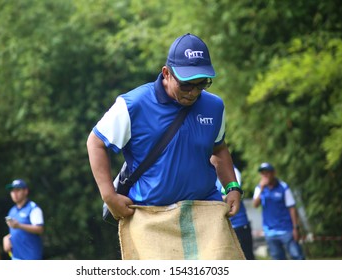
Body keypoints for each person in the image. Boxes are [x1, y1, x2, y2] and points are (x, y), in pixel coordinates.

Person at [87, 33, 244, 259]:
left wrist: (232, 187)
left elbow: (218, 149)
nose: (194, 92)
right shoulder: (133, 105)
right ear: (166, 73)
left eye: (202, 83)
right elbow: (95, 142)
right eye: (187, 84)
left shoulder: (214, 106)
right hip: (151, 218)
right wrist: (109, 196)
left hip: (205, 213)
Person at [253, 162, 305, 260]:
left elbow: (292, 207)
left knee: (297, 257)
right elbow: (255, 204)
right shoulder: (259, 188)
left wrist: (295, 227)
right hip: (270, 232)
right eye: (262, 173)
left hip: (286, 230)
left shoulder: (283, 187)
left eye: (267, 173)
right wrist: (262, 189)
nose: (265, 175)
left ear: (273, 173)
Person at [216, 165, 256, 260]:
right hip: (222, 227)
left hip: (239, 225)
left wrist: (211, 199)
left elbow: (231, 196)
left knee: (247, 258)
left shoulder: (232, 171)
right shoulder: (209, 172)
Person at [3, 179, 44, 260]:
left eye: (17, 190)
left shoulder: (33, 208)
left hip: (31, 257)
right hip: (16, 257)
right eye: (12, 191)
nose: (14, 194)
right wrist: (7, 238)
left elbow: (39, 229)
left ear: (25, 191)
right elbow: (14, 231)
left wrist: (19, 226)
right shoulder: (11, 211)